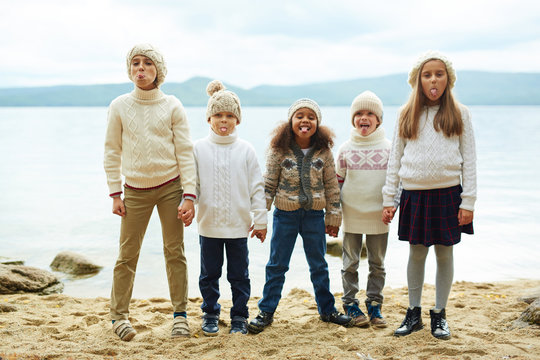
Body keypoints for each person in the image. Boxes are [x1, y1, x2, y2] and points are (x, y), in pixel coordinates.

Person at [104, 43, 197, 341]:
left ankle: (180, 315)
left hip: (171, 187)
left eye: (146, 63)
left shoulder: (172, 105)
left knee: (175, 252)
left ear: (158, 70)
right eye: (135, 64)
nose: (140, 68)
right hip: (134, 190)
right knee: (127, 254)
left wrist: (189, 195)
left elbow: (185, 151)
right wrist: (115, 192)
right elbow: (111, 151)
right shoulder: (119, 105)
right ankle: (119, 316)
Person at [382, 50, 476, 340]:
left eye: (439, 74)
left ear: (448, 79)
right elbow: (395, 160)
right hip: (414, 195)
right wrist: (389, 199)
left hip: (449, 194)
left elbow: (469, 160)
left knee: (445, 254)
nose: (433, 79)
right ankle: (414, 313)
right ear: (417, 81)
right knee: (417, 253)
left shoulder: (460, 113)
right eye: (427, 74)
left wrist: (468, 201)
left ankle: (440, 314)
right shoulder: (405, 114)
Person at [248, 98, 353, 334]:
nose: (305, 120)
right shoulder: (278, 150)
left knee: (319, 265)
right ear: (291, 121)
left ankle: (327, 310)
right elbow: (268, 185)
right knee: (277, 265)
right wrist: (259, 218)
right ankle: (266, 311)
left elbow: (332, 187)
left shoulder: (324, 152)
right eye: (300, 116)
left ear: (317, 123)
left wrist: (333, 218)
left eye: (311, 117)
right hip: (285, 216)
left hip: (315, 216)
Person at [194, 80, 267, 336]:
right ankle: (211, 313)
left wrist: (261, 221)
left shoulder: (246, 150)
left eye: (229, 115)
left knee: (239, 276)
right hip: (209, 226)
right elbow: (193, 185)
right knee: (209, 275)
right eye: (218, 115)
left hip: (238, 227)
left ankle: (238, 316)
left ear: (237, 119)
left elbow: (257, 188)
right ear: (209, 118)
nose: (223, 120)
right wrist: (188, 205)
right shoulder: (198, 148)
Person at [336, 91, 392, 328]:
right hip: (351, 214)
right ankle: (350, 302)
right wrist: (334, 214)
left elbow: (394, 183)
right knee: (350, 263)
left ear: (379, 119)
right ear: (353, 119)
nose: (363, 118)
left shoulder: (389, 148)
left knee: (377, 263)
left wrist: (392, 206)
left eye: (370, 113)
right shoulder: (345, 149)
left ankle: (374, 304)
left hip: (379, 215)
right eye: (358, 113)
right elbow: (336, 184)